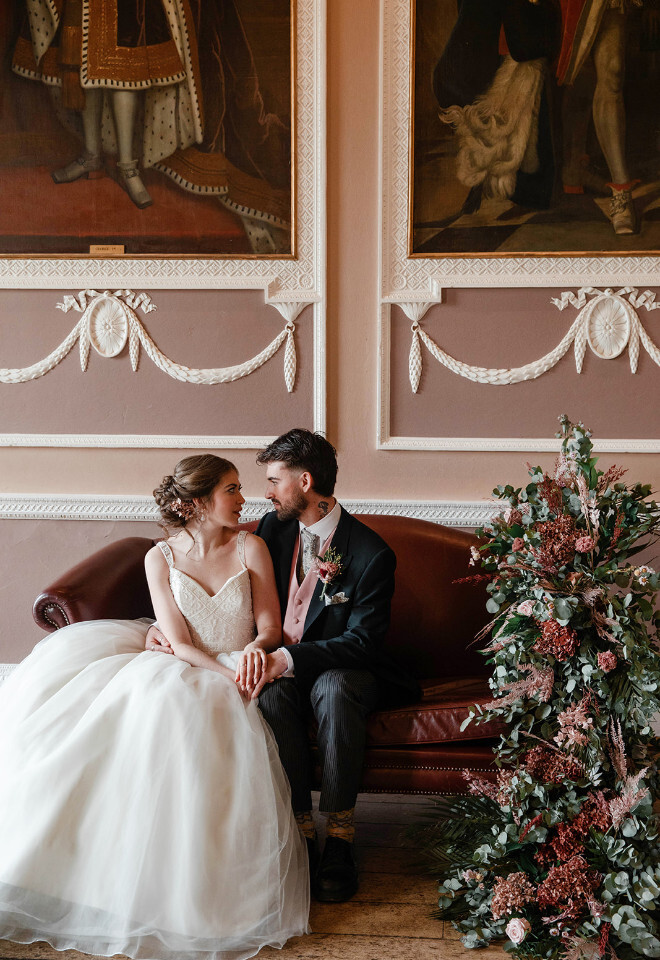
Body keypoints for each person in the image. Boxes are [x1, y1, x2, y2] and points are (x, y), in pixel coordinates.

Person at [0, 455, 309, 960]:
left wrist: (256, 652)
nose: (242, 497)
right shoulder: (159, 559)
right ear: (197, 503)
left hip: (243, 658)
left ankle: (211, 883)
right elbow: (180, 642)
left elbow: (270, 625)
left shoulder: (251, 546)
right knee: (150, 714)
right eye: (231, 489)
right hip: (190, 665)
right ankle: (107, 877)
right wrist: (225, 675)